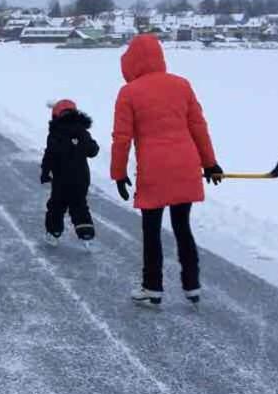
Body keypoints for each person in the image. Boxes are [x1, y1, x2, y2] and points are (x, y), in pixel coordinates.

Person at [110, 33, 223, 304]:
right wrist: (209, 163)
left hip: (154, 171)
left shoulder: (129, 93)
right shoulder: (182, 85)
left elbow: (122, 138)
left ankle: (153, 288)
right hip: (186, 166)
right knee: (182, 227)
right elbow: (198, 127)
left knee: (152, 231)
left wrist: (119, 173)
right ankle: (192, 285)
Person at [40, 98, 99, 242]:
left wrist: (45, 172)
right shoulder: (82, 131)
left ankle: (54, 232)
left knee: (57, 205)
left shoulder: (55, 132)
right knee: (79, 204)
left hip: (61, 177)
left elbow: (50, 154)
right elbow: (92, 150)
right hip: (81, 178)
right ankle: (86, 233)